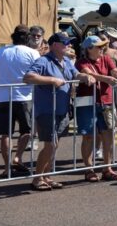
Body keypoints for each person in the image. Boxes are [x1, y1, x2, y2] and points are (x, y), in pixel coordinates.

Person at [24, 32, 96, 191]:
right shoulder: (43, 61)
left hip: (62, 109)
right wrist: (51, 80)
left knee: (54, 146)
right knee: (50, 145)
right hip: (47, 109)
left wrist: (84, 76)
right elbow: (28, 77)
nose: (69, 45)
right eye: (65, 43)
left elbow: (75, 73)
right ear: (55, 45)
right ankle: (37, 179)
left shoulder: (67, 61)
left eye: (69, 43)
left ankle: (46, 176)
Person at [75, 35, 117, 181]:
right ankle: (88, 169)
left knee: (108, 135)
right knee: (88, 136)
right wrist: (106, 79)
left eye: (103, 46)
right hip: (87, 103)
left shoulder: (106, 59)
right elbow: (89, 73)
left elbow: (114, 70)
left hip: (106, 101)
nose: (103, 48)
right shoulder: (81, 62)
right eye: (99, 46)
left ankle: (107, 167)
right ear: (89, 49)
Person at [0, 25, 40, 175]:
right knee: (26, 131)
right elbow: (37, 74)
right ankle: (18, 157)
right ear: (28, 38)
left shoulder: (0, 51)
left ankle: (7, 168)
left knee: (6, 133)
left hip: (3, 96)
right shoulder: (33, 53)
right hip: (25, 97)